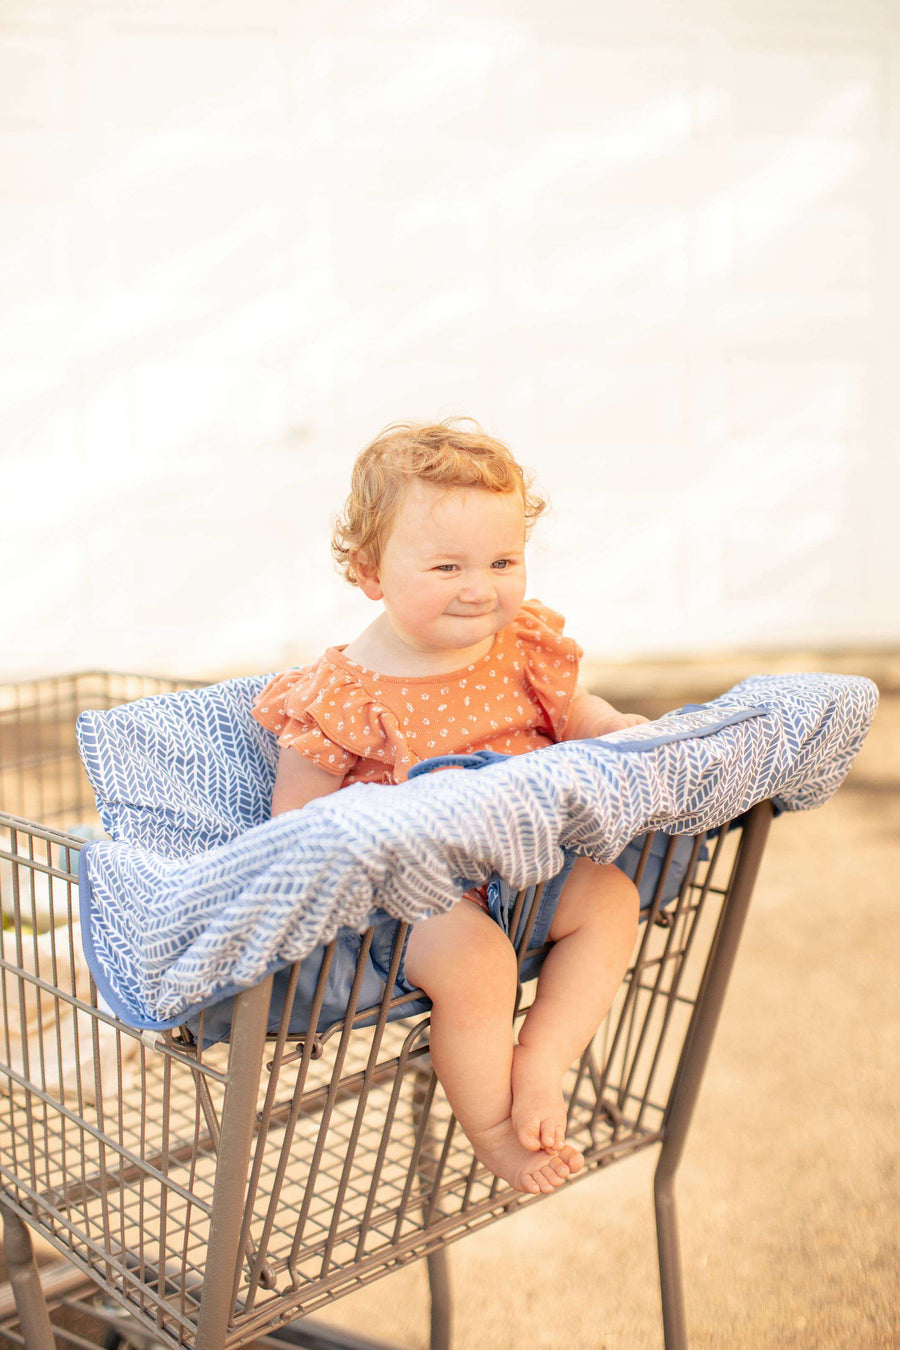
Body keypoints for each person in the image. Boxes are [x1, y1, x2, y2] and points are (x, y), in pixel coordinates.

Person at [253, 420, 645, 1195]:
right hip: (417, 889)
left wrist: (608, 728)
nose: (480, 586)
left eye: (504, 561)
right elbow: (295, 820)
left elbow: (575, 709)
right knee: (477, 965)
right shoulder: (345, 688)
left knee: (611, 900)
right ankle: (497, 1133)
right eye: (447, 565)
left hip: (528, 860)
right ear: (370, 573)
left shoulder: (522, 644)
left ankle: (539, 1059)